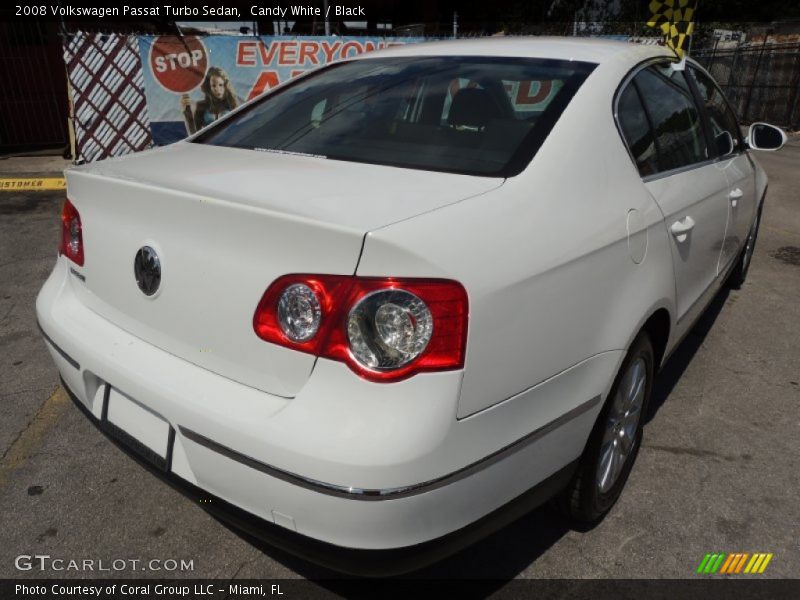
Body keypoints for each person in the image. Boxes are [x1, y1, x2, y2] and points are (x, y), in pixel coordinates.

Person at [180, 67, 239, 134]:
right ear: (208, 87)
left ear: (225, 85)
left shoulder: (232, 104)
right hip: (207, 143)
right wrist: (188, 113)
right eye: (214, 86)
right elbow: (194, 134)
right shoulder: (201, 106)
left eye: (220, 85)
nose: (217, 89)